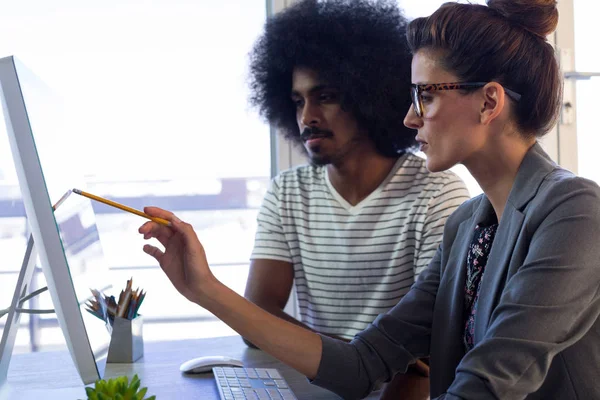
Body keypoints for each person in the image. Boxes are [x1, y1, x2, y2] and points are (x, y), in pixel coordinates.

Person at [139, 0, 600, 398]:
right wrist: (203, 289)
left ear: (488, 102)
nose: (409, 118)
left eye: (425, 97)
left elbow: (486, 386)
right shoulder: (467, 226)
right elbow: (360, 364)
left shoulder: (574, 212)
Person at [245, 1, 469, 397]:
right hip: (316, 385)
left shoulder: (436, 192)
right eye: (298, 101)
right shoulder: (287, 193)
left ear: (370, 94)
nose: (307, 117)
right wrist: (352, 361)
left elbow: (434, 345)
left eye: (325, 96)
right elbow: (257, 314)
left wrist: (360, 363)